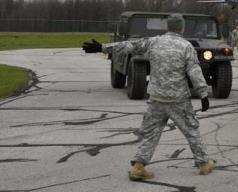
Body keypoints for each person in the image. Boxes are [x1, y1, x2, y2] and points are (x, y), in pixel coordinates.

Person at [81, 13, 215, 181]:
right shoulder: (186, 46)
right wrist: (203, 94)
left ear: (168, 26)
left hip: (156, 98)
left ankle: (139, 167)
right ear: (182, 27)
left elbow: (128, 46)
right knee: (191, 131)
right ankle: (204, 163)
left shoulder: (154, 42)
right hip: (178, 99)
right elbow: (194, 71)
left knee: (151, 133)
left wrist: (102, 47)